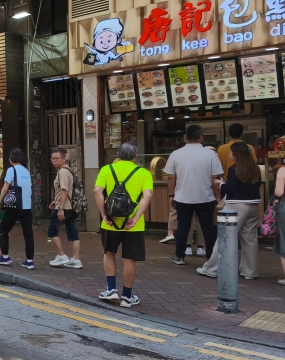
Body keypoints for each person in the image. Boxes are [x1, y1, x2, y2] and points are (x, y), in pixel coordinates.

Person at [93, 143, 153, 308]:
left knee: (109, 253)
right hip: (133, 225)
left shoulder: (107, 169)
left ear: (118, 155)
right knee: (129, 258)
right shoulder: (144, 173)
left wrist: (104, 214)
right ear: (135, 156)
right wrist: (136, 217)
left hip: (110, 223)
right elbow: (147, 196)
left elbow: (97, 191)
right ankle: (127, 297)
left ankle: (111, 289)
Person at [198, 142, 262, 280]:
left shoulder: (234, 169)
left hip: (235, 205)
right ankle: (250, 272)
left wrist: (221, 184)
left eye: (231, 152)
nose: (229, 154)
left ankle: (212, 269)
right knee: (250, 239)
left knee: (225, 237)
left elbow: (230, 189)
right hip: (253, 205)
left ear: (236, 154)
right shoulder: (255, 168)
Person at [165, 124, 223, 266]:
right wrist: (218, 196)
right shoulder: (210, 154)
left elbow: (171, 177)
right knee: (207, 227)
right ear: (201, 137)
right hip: (206, 197)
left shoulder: (176, 154)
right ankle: (211, 257)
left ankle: (179, 256)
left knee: (183, 227)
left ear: (187, 137)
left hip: (182, 197)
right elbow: (215, 178)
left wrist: (171, 195)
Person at [0, 148, 34, 269]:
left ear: (11, 159)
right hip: (27, 207)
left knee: (2, 230)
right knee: (28, 234)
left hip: (14, 207)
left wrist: (0, 204)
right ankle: (30, 261)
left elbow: (5, 188)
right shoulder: (26, 171)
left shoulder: (11, 170)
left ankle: (5, 257)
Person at [48, 147, 82, 269]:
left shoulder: (62, 172)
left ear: (64, 158)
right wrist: (55, 201)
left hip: (64, 207)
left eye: (57, 158)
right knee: (73, 234)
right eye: (52, 159)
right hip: (71, 207)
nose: (54, 161)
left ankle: (61, 255)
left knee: (51, 230)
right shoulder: (69, 170)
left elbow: (64, 190)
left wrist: (60, 208)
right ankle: (76, 259)